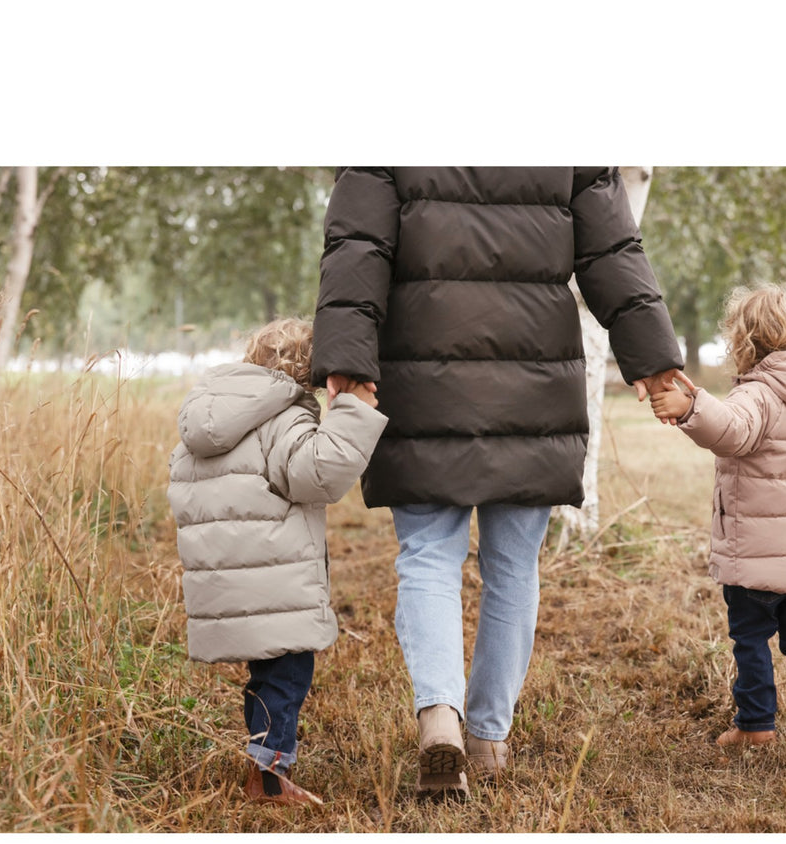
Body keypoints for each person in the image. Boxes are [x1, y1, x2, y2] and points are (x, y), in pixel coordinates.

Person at [312, 167, 684, 797]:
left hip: (423, 372)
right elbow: (612, 252)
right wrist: (652, 357)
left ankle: (439, 717)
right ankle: (487, 739)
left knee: (428, 556)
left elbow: (358, 247)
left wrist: (346, 360)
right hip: (533, 377)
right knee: (513, 566)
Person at [167, 317, 387, 804]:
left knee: (266, 676)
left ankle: (261, 762)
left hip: (229, 576)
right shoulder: (284, 414)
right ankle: (268, 776)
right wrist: (353, 410)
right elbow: (318, 475)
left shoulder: (209, 413)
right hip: (275, 580)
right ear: (310, 373)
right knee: (287, 676)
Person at [650, 283, 786, 747]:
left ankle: (755, 725)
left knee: (751, 637)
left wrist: (690, 406)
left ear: (743, 340)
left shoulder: (760, 391)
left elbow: (731, 431)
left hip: (756, 554)